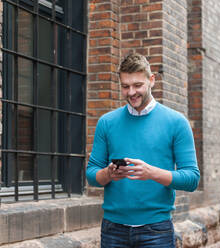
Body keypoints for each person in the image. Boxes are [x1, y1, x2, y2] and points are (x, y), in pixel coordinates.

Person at [86, 53, 200, 248]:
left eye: (137, 85)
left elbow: (191, 179)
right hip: (113, 230)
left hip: (157, 231)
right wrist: (108, 173)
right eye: (125, 86)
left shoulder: (176, 122)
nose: (131, 92)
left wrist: (151, 173)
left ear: (151, 80)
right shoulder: (106, 122)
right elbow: (91, 175)